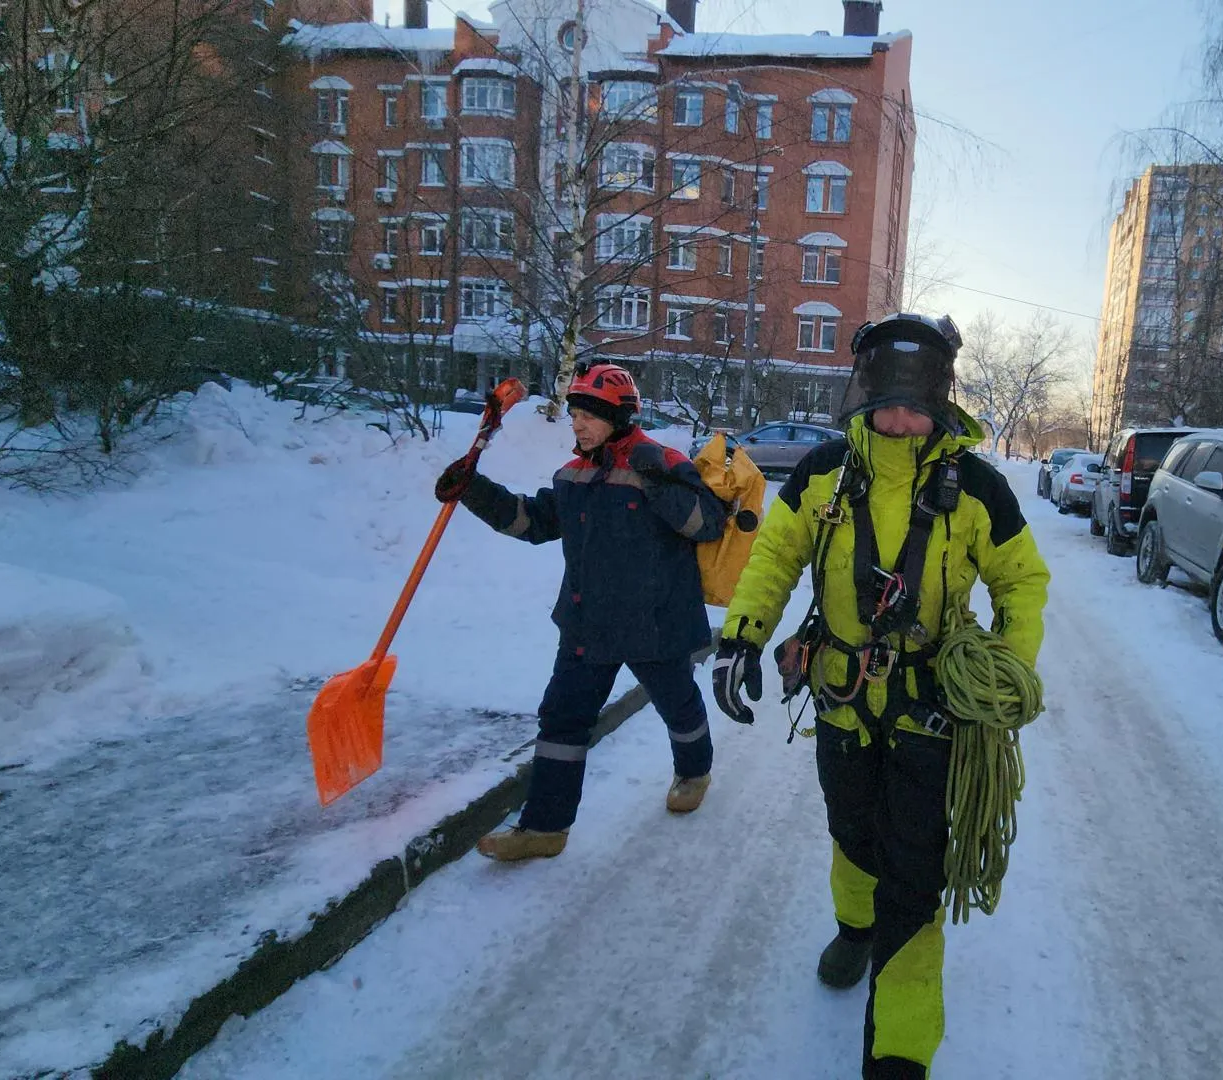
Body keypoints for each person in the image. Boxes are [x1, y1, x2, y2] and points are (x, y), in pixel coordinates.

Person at [708, 313, 1050, 1079]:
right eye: (886, 404)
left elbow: (1023, 584)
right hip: (841, 702)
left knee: (914, 882)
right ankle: (851, 927)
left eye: (915, 406)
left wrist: (1001, 673)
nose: (899, 422)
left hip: (936, 714)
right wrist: (742, 636)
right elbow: (776, 555)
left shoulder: (979, 488)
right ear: (861, 396)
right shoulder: (824, 472)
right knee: (851, 831)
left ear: (940, 403)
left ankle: (898, 1052)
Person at [437, 362, 728, 861]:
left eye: (589, 416)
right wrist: (475, 492)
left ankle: (694, 769)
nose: (578, 424)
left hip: (654, 623)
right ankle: (545, 828)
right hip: (586, 624)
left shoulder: (661, 460)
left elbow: (708, 524)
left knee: (677, 706)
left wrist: (659, 483)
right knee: (562, 721)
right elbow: (533, 522)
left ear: (619, 416)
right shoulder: (573, 475)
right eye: (575, 414)